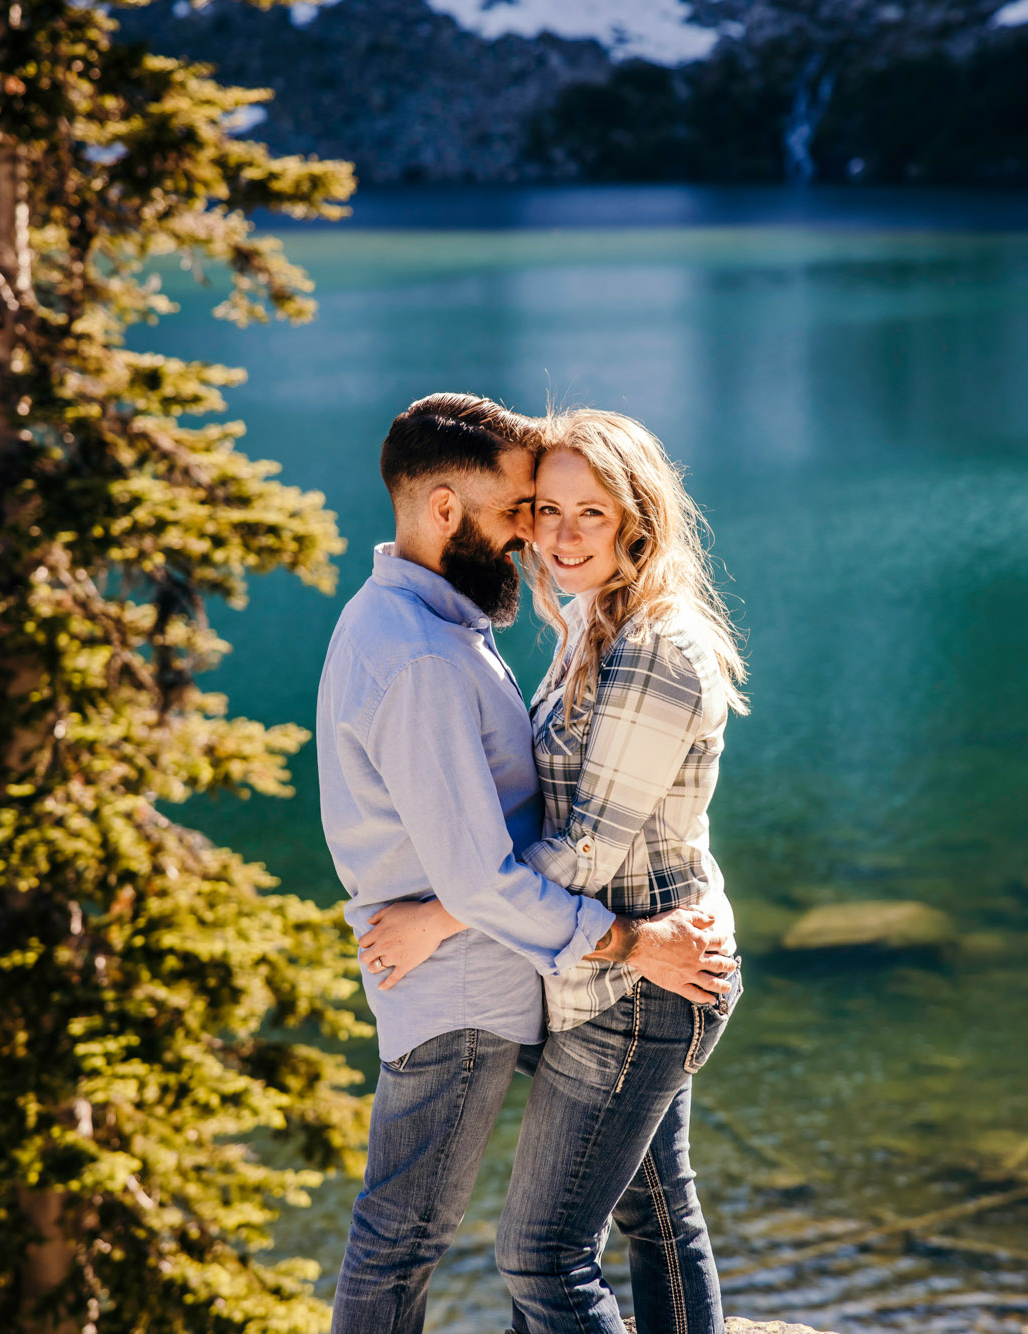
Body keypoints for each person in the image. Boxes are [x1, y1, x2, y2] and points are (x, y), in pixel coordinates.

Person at [315, 393, 738, 1334]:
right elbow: (506, 854)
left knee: (557, 1246)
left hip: (605, 974)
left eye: (582, 511)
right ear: (443, 510)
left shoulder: (614, 643)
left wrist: (448, 914)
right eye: (534, 509)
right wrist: (464, 912)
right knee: (627, 1212)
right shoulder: (484, 642)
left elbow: (576, 840)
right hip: (527, 976)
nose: (535, 535)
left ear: (639, 518)